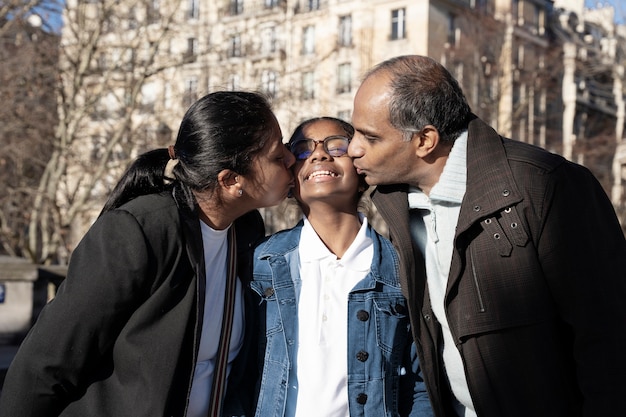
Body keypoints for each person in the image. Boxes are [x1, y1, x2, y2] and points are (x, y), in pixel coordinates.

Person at [347, 55, 626, 417]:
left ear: (425, 140)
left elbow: (610, 343)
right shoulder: (393, 201)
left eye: (369, 137)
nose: (353, 148)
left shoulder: (547, 185)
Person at [0, 91, 295, 417]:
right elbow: (44, 366)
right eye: (277, 154)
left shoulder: (247, 230)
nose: (291, 158)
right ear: (230, 180)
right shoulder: (141, 230)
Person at [251, 116, 434, 417]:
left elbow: (421, 384)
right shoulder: (260, 264)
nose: (320, 154)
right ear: (290, 180)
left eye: (337, 147)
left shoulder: (401, 268)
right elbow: (236, 374)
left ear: (361, 169)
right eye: (302, 150)